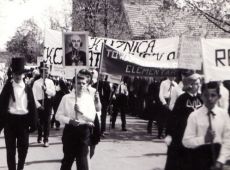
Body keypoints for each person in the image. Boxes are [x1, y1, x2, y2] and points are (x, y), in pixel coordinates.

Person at [55, 69, 101, 170]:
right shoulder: (66, 98)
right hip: (70, 132)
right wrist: (69, 121)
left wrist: (81, 113)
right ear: (73, 84)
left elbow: (92, 117)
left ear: (86, 85)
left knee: (83, 164)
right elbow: (57, 116)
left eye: (83, 83)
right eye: (78, 83)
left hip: (83, 133)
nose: (81, 85)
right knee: (67, 162)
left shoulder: (88, 98)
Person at [182, 81, 230, 170]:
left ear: (219, 97)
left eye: (213, 95)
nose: (209, 98)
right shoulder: (194, 116)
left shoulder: (224, 115)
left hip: (218, 158)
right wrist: (204, 139)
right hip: (199, 159)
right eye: (206, 95)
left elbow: (227, 140)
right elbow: (186, 141)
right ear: (201, 96)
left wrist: (220, 161)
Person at [0, 57, 38, 170]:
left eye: (20, 74)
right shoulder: (7, 87)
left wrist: (34, 123)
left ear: (24, 75)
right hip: (10, 122)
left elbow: (32, 106)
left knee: (23, 149)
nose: (17, 76)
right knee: (10, 150)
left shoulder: (27, 88)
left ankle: (20, 167)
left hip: (23, 122)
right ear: (12, 74)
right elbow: (1, 106)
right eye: (15, 73)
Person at [164, 73, 202, 170]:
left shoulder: (201, 99)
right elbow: (173, 118)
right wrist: (169, 134)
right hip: (182, 135)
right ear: (190, 85)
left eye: (199, 83)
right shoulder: (182, 99)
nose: (199, 85)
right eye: (197, 83)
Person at [32, 62, 56, 147]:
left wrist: (46, 90)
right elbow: (33, 95)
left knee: (47, 121)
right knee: (39, 122)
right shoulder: (36, 82)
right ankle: (39, 135)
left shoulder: (50, 82)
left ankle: (46, 139)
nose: (45, 73)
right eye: (43, 71)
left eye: (46, 71)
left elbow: (53, 93)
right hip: (39, 102)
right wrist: (38, 105)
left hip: (48, 102)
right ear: (40, 72)